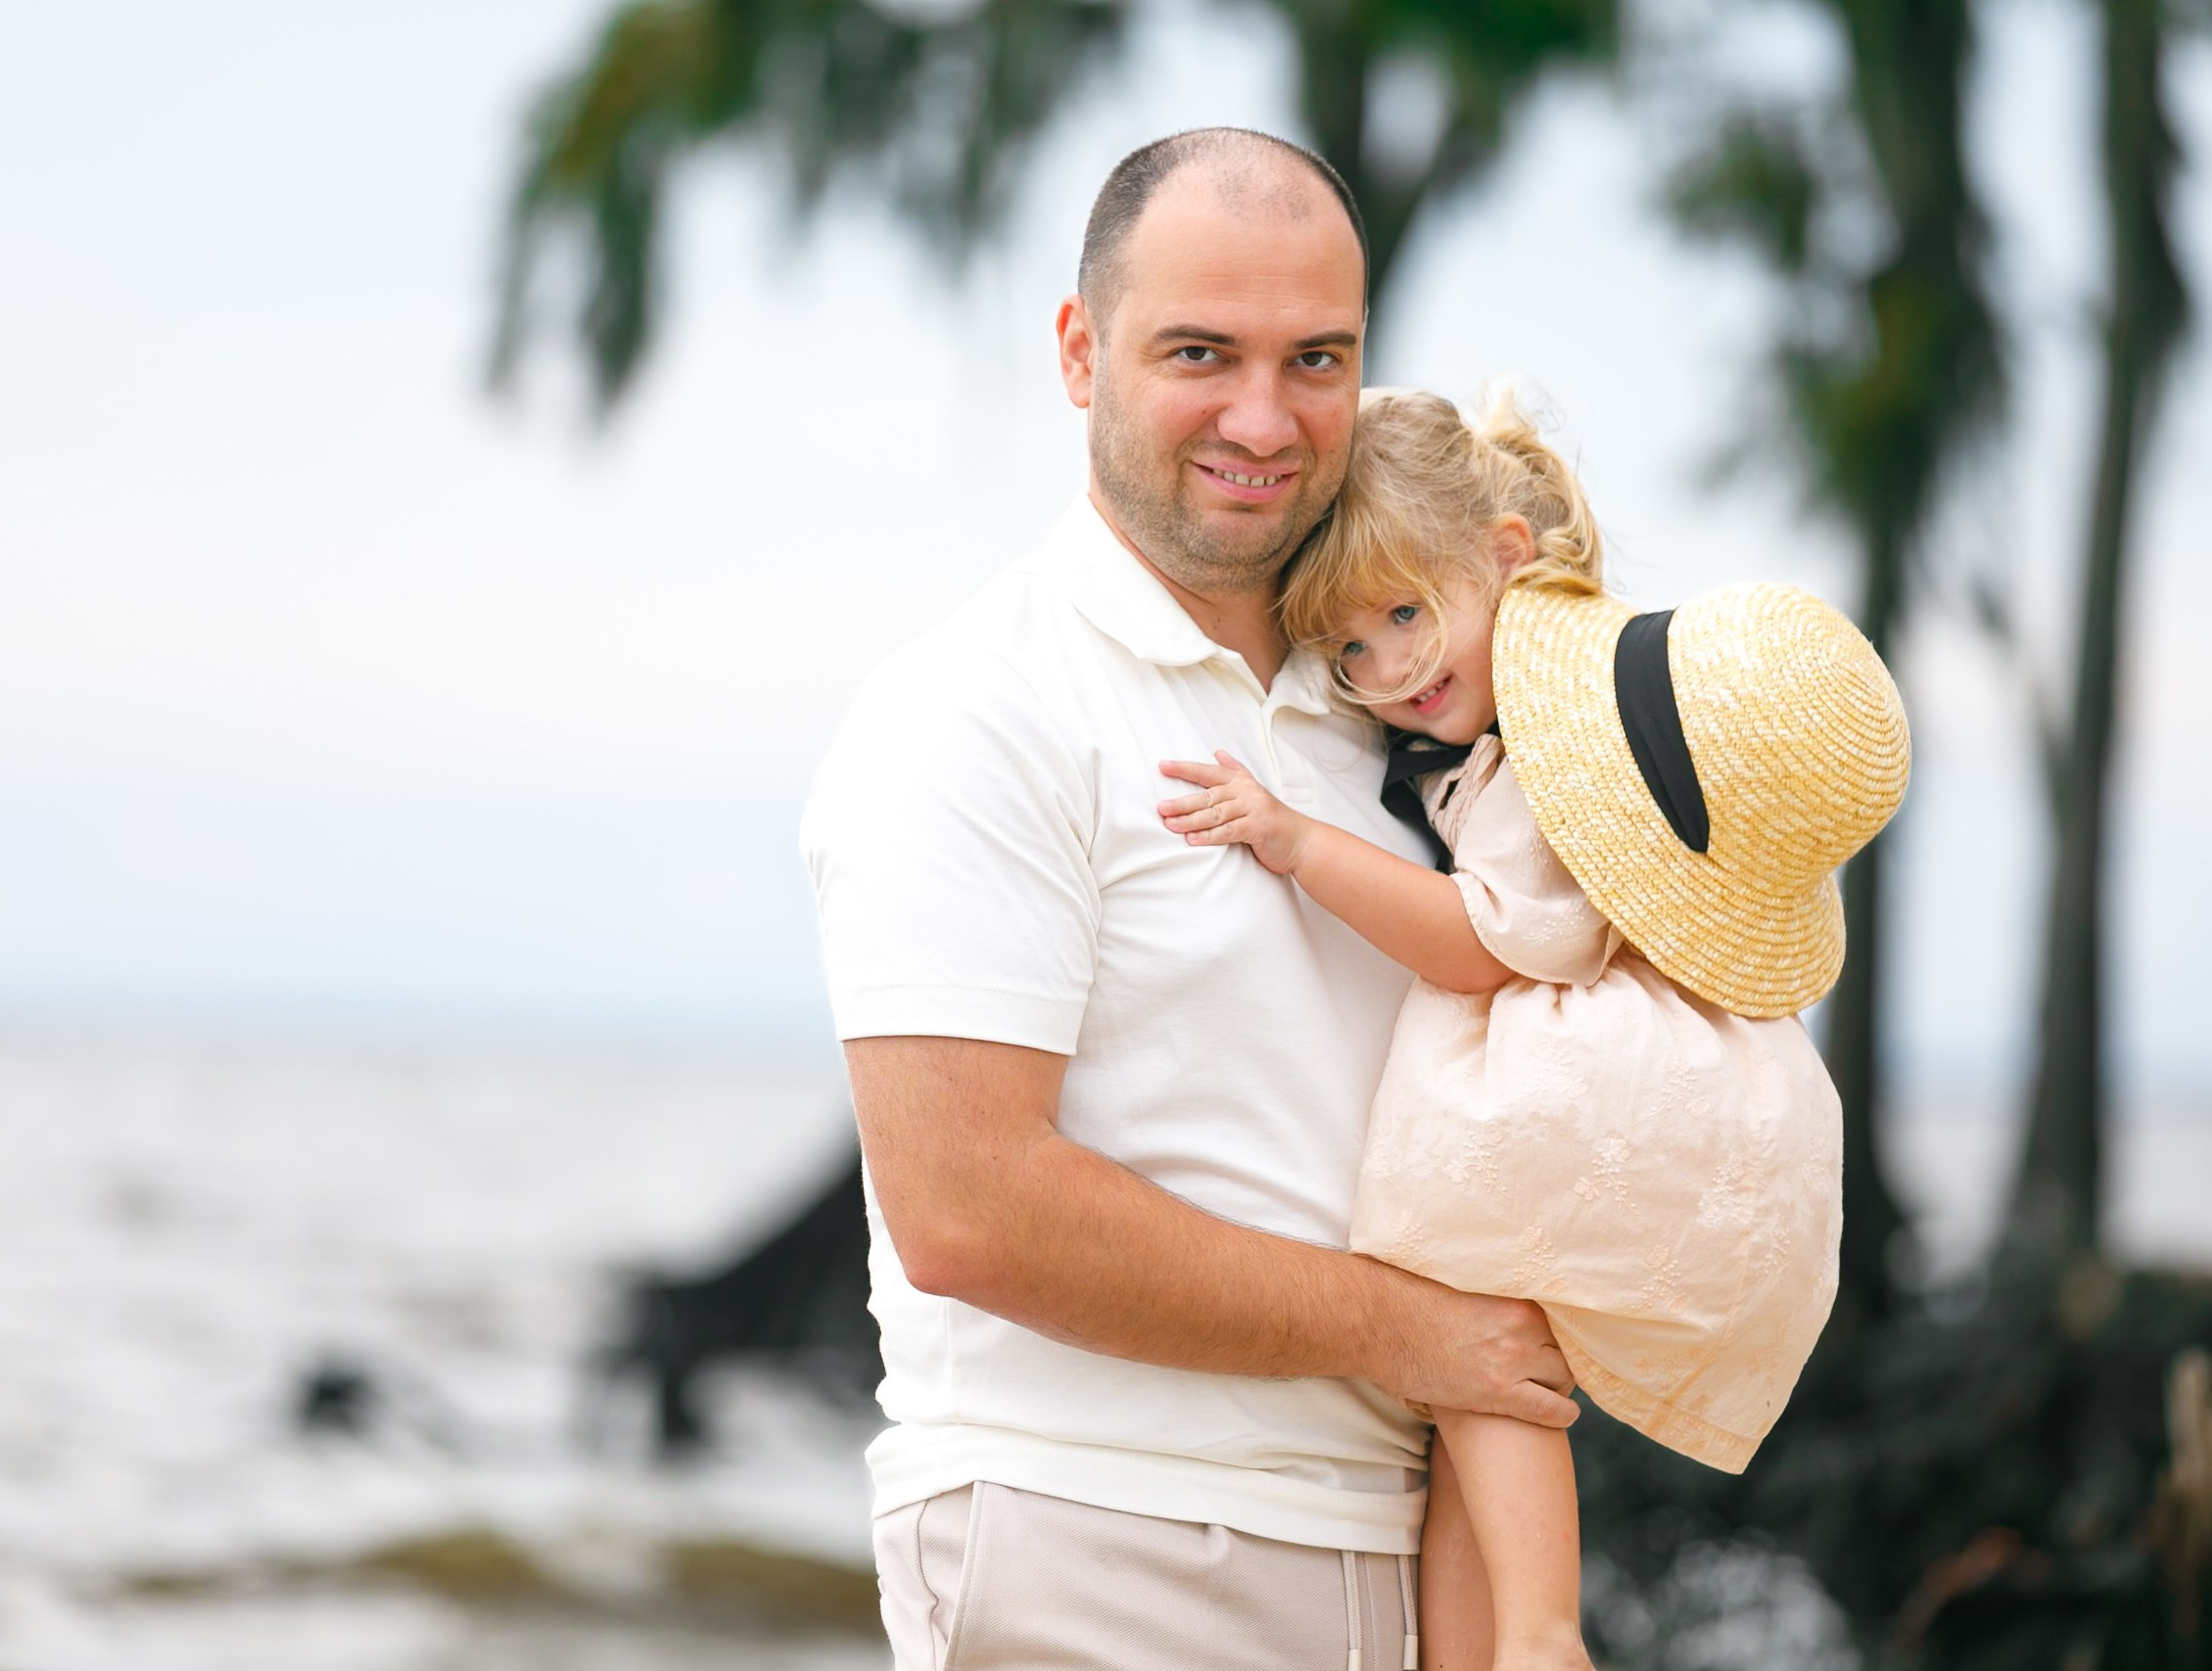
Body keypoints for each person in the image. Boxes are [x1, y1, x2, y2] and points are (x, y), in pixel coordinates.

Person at [802, 133, 1578, 1669]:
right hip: (1103, 1541)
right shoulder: (978, 709)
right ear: (1081, 353)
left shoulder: (1394, 696)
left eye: (1316, 360)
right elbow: (967, 1211)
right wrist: (1421, 1335)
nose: (1261, 418)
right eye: (1199, 353)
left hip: (1395, 1544)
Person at [1157, 387, 1910, 1669]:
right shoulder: (1529, 727)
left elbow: (1489, 937)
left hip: (1582, 1080)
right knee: (1476, 1395)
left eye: (1404, 616)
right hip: (1683, 1095)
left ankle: (1545, 1634)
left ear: (1505, 555)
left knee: (1478, 1346)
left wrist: (1297, 843)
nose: (1387, 671)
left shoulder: (1544, 763)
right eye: (1346, 653)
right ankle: (1489, 1650)